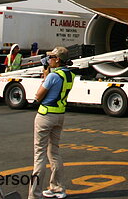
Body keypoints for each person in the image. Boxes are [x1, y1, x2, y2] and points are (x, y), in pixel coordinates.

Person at [28, 47, 75, 199]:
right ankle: (58, 187)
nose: (49, 60)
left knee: (39, 155)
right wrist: (47, 72)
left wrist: (46, 76)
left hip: (45, 115)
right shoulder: (69, 75)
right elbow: (54, 86)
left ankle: (34, 194)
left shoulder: (53, 76)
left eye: (52, 57)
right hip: (59, 115)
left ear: (58, 59)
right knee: (54, 152)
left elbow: (39, 96)